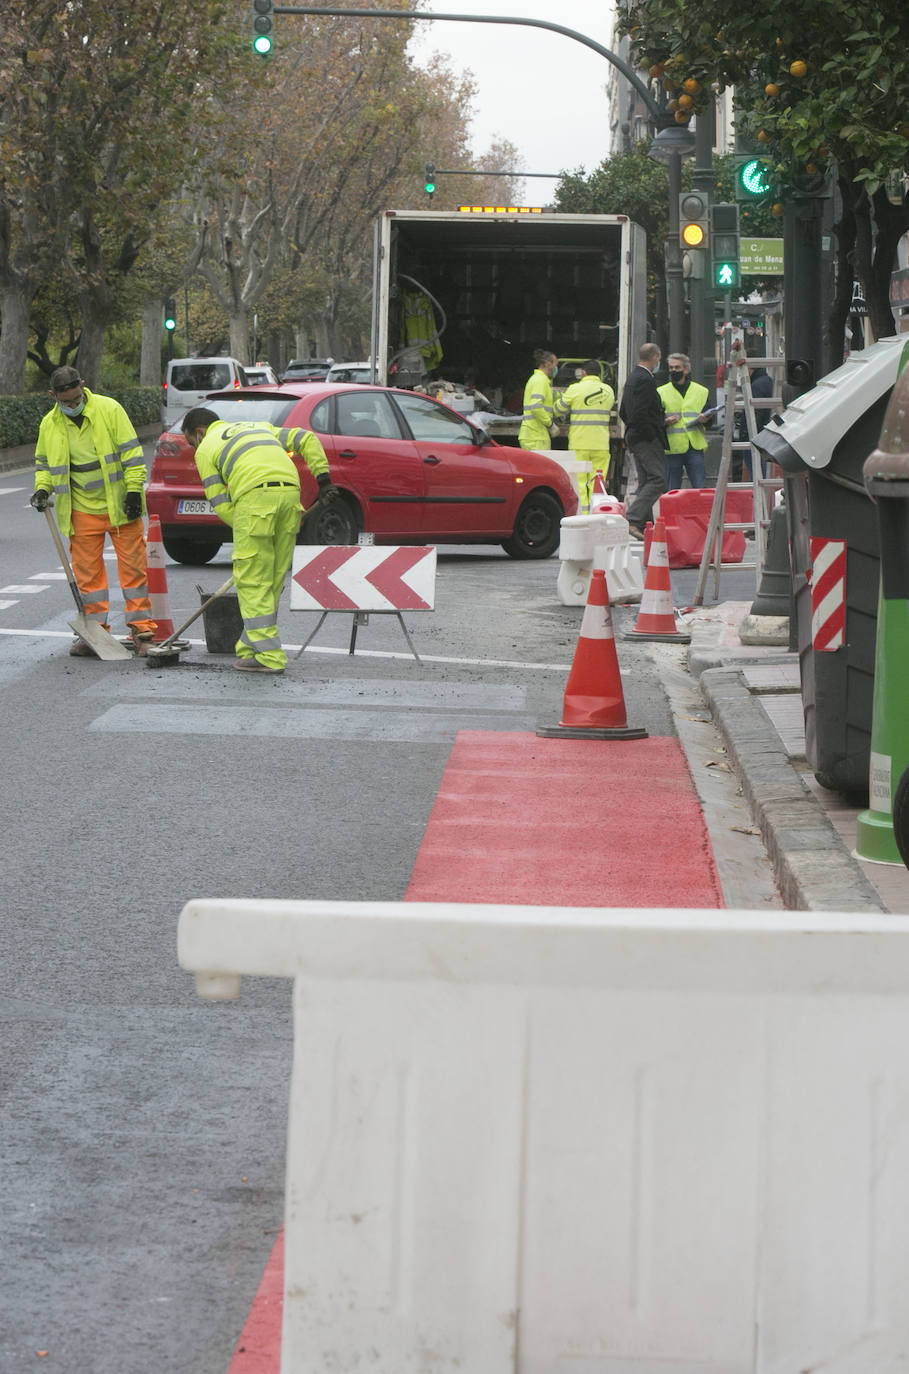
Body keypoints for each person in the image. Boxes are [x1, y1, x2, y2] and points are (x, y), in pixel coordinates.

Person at [180, 407, 337, 674]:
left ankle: (269, 656)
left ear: (199, 432)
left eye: (190, 442)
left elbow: (219, 502)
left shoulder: (206, 449)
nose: (193, 447)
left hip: (253, 500)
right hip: (290, 495)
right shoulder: (258, 426)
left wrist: (244, 524)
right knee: (272, 580)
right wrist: (323, 479)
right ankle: (250, 647)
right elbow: (306, 439)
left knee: (252, 581)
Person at [29, 365, 157, 656]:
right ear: (53, 396)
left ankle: (143, 632)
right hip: (81, 511)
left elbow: (131, 454)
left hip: (120, 507)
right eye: (67, 403)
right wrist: (42, 490)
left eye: (77, 399)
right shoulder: (49, 424)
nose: (73, 406)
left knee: (134, 572)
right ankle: (96, 634)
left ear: (84, 386)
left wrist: (135, 490)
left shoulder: (109, 410)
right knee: (88, 579)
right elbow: (45, 466)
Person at [618, 342, 668, 539]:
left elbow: (624, 411)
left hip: (634, 436)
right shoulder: (645, 380)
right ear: (655, 357)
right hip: (645, 437)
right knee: (658, 479)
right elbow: (641, 413)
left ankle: (645, 525)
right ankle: (633, 518)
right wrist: (651, 431)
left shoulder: (632, 378)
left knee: (646, 480)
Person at [553, 360, 615, 508]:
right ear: (599, 374)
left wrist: (556, 398)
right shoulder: (608, 391)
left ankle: (582, 512)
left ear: (583, 373)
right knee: (598, 481)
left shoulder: (575, 389)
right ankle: (596, 511)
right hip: (600, 444)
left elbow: (557, 410)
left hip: (579, 443)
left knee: (579, 482)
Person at [657, 352, 711, 491]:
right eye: (671, 368)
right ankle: (671, 513)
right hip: (672, 448)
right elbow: (655, 420)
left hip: (694, 447)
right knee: (671, 490)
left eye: (677, 367)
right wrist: (665, 421)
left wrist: (704, 420)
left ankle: (701, 513)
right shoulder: (661, 392)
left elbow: (711, 419)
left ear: (686, 369)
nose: (674, 371)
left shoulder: (701, 391)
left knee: (700, 488)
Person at [518, 349, 559, 450]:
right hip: (535, 436)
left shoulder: (539, 380)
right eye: (555, 365)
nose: (556, 368)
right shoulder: (540, 380)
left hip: (535, 434)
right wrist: (551, 424)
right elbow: (536, 407)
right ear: (548, 364)